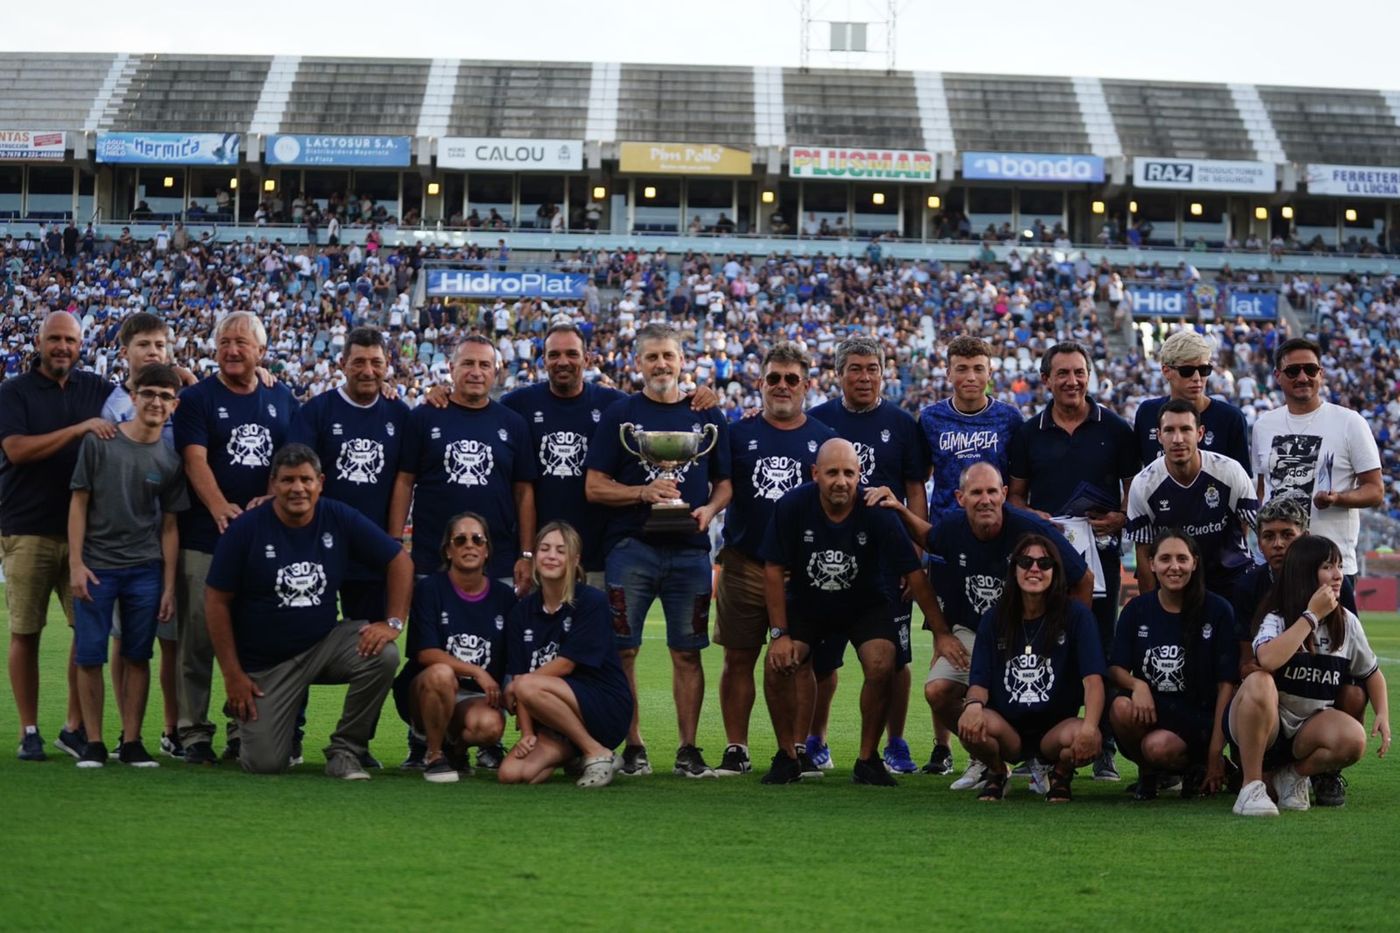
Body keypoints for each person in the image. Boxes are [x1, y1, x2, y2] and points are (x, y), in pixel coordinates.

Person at [871, 461, 1092, 792]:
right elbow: (931, 539)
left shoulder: (1030, 529)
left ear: (1004, 494)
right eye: (976, 492)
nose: (985, 499)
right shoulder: (954, 526)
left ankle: (1044, 762)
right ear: (961, 498)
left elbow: (1082, 577)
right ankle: (988, 760)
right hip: (975, 632)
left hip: (1028, 633)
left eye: (992, 491)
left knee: (1040, 692)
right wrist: (899, 509)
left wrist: (1070, 635)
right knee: (938, 690)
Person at [205, 444, 413, 779]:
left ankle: (346, 750)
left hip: (323, 644)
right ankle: (242, 718)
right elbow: (216, 601)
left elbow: (399, 560)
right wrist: (233, 675)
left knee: (384, 654)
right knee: (266, 764)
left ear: (320, 482)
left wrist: (393, 622)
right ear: (273, 484)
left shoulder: (338, 516)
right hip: (267, 663)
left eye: (305, 479)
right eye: (287, 480)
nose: (297, 488)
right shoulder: (247, 529)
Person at [585, 322, 732, 778]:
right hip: (631, 549)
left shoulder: (707, 415)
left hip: (689, 550)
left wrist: (708, 510)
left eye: (668, 355)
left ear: (682, 360)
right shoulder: (621, 415)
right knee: (623, 650)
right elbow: (594, 486)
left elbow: (725, 484)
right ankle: (634, 746)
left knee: (688, 651)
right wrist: (641, 494)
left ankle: (688, 748)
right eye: (652, 357)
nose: (661, 364)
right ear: (638, 363)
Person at [760, 439, 946, 786]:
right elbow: (772, 569)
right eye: (832, 473)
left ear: (860, 474)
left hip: (865, 603)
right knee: (778, 664)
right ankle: (787, 755)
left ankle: (867, 758)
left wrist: (942, 633)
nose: (841, 481)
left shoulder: (877, 510)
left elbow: (914, 573)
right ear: (816, 473)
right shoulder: (792, 505)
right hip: (809, 603)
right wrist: (779, 635)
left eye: (849, 472)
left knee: (882, 661)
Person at [1009, 340, 1139, 780]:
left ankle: (1102, 744)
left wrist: (1120, 517)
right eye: (1062, 373)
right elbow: (1014, 497)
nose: (1072, 381)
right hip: (1044, 562)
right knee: (1042, 647)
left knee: (1099, 646)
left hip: (1100, 556)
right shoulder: (1028, 433)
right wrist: (1034, 517)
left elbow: (1134, 493)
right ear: (1046, 380)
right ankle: (1037, 746)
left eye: (1079, 372)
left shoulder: (1116, 428)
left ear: (1089, 375)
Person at [173, 311, 299, 765]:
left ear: (261, 352)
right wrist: (219, 505)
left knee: (251, 642)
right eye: (225, 341)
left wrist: (270, 497)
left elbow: (291, 458)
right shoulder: (198, 398)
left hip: (261, 545)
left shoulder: (281, 397)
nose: (231, 350)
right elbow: (194, 459)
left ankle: (239, 729)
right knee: (197, 642)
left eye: (242, 343)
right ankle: (192, 733)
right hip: (206, 537)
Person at [808, 335, 931, 775]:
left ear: (885, 372)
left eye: (872, 368)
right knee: (823, 658)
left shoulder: (901, 423)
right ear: (838, 373)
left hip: (885, 565)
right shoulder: (818, 419)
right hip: (828, 562)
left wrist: (914, 554)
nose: (864, 377)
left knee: (895, 660)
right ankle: (815, 739)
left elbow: (915, 489)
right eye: (855, 368)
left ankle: (895, 743)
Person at [289, 327, 410, 768]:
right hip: (317, 550)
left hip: (371, 551)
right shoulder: (319, 410)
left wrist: (392, 540)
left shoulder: (399, 413)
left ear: (386, 366)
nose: (367, 370)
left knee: (375, 648)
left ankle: (356, 742)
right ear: (341, 364)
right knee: (299, 636)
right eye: (358, 361)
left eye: (376, 362)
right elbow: (298, 471)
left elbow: (403, 479)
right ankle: (290, 733)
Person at [713, 342, 834, 776]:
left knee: (800, 661)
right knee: (738, 657)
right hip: (745, 561)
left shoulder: (823, 439)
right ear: (760, 383)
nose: (782, 386)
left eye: (791, 379)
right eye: (774, 378)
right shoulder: (737, 433)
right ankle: (736, 747)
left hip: (800, 572)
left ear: (806, 384)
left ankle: (797, 748)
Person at [0, 310, 115, 761]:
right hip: (27, 526)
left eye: (70, 340)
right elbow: (17, 450)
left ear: (81, 343)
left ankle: (73, 725)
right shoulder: (14, 392)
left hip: (86, 534)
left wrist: (182, 372)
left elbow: (148, 392)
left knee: (86, 632)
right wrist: (79, 429)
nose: (63, 347)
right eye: (55, 339)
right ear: (39, 341)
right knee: (25, 631)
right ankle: (29, 729)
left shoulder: (97, 389)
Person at [67, 364, 187, 767]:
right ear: (132, 397)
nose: (156, 402)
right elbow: (79, 503)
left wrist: (169, 585)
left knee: (138, 654)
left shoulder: (170, 461)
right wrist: (76, 564)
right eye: (148, 393)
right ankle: (95, 742)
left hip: (144, 568)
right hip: (97, 566)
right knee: (89, 654)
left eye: (164, 396)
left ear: (174, 404)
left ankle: (132, 741)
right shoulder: (100, 443)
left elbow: (170, 526)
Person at [1226, 535, 1389, 816]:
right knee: (1259, 680)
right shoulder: (1277, 617)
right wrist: (1311, 617)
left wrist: (1383, 714)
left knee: (1354, 739)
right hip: (1267, 726)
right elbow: (1267, 659)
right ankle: (1250, 787)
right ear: (1304, 572)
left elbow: (1371, 672)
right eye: (1328, 566)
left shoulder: (1347, 622)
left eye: (1339, 566)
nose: (1338, 575)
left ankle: (1291, 777)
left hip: (1308, 727)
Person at [100, 312, 197, 758]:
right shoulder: (115, 406)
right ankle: (127, 730)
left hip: (173, 529)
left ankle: (171, 726)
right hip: (127, 539)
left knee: (171, 637)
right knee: (126, 639)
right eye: (144, 345)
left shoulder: (184, 394)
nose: (154, 352)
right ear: (126, 352)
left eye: (160, 345)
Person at [957, 534, 1107, 803]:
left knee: (1087, 735)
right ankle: (996, 771)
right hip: (1008, 729)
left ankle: (1060, 773)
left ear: (1056, 571)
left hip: (1056, 729)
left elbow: (1093, 680)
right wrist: (972, 707)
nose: (1034, 569)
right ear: (1014, 570)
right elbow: (979, 679)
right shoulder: (995, 617)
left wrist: (1090, 727)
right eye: (1026, 562)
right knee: (969, 724)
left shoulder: (1076, 616)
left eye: (1044, 562)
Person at [389, 335, 537, 599]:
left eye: (484, 365)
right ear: (451, 367)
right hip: (431, 559)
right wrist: (396, 543)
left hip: (497, 561)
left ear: (496, 371)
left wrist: (526, 554)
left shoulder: (513, 424)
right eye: (468, 363)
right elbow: (404, 482)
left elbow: (524, 493)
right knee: (431, 639)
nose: (476, 372)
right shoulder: (423, 417)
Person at [498, 522, 635, 788]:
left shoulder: (591, 601)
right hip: (552, 717)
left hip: (604, 706)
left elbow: (564, 665)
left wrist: (519, 686)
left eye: (561, 551)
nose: (551, 556)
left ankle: (597, 751)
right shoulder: (521, 612)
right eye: (545, 549)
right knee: (512, 774)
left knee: (527, 684)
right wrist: (527, 732)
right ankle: (575, 755)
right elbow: (518, 673)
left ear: (575, 559)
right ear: (535, 556)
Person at [1108, 530, 1236, 800]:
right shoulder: (1137, 610)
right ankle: (1149, 773)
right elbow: (1116, 667)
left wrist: (1215, 751)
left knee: (1158, 747)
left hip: (1199, 718)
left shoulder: (1218, 610)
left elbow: (1227, 684)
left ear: (1195, 563)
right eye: (1165, 559)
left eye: (1182, 558)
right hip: (1155, 711)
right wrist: (1137, 684)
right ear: (1152, 564)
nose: (1174, 567)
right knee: (1120, 706)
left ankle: (1202, 765)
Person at [500, 323, 627, 588]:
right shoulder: (517, 404)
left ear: (587, 359)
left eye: (571, 354)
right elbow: (475, 410)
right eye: (554, 355)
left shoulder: (615, 404)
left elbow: (658, 410)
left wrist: (694, 396)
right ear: (543, 359)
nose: (563, 362)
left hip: (598, 558)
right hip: (539, 556)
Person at [391, 512, 515, 784]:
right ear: (448, 550)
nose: (469, 545)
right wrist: (477, 671)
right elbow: (425, 653)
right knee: (441, 673)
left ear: (486, 550)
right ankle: (433, 754)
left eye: (477, 540)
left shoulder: (505, 597)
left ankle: (455, 751)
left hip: (472, 697)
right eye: (460, 540)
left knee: (490, 727)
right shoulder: (430, 589)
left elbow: (514, 656)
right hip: (427, 689)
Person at [1252, 337, 1383, 584]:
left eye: (1310, 369)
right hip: (1276, 565)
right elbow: (1262, 490)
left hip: (1330, 565)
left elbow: (1375, 491)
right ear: (1278, 376)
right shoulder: (1263, 425)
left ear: (1321, 373)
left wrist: (1338, 498)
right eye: (1293, 371)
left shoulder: (1349, 422)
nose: (1303, 377)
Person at [1127, 399, 1257, 599]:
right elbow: (1144, 553)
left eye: (1186, 429)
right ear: (1159, 436)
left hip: (1230, 580)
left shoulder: (1229, 471)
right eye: (1169, 430)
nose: (1178, 439)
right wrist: (1151, 609)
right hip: (1177, 584)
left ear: (1200, 433)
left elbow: (1256, 526)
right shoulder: (1144, 484)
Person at [920, 336, 1023, 517]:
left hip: (997, 527)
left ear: (989, 373)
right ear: (948, 373)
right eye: (962, 369)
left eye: (978, 369)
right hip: (945, 528)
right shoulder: (930, 418)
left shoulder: (1010, 418)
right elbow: (919, 479)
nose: (971, 377)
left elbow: (1019, 486)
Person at [1133, 331, 1251, 474]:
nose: (1197, 378)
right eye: (1187, 371)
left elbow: (1243, 485)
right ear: (1166, 371)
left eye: (1204, 370)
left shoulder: (1231, 418)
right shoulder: (1147, 413)